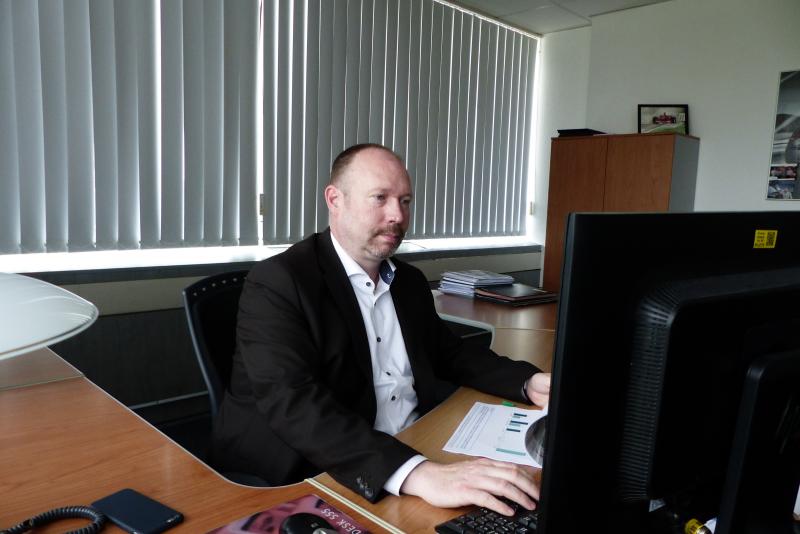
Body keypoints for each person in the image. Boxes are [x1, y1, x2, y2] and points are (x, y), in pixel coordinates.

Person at [212, 143, 551, 516]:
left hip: (414, 442)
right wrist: (417, 473)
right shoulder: (279, 282)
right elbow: (293, 403)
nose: (397, 215)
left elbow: (448, 353)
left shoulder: (409, 281)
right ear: (335, 200)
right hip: (322, 466)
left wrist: (527, 382)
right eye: (380, 198)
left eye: (405, 201)